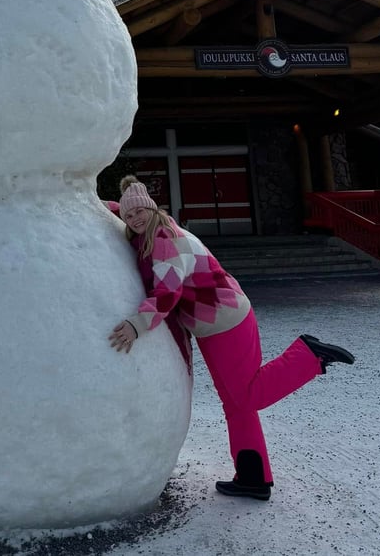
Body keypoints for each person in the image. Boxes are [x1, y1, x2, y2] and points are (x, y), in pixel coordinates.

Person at [108, 175, 355, 501]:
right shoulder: (152, 233)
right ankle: (252, 477)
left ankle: (310, 356)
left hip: (226, 321)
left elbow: (167, 294)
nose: (135, 218)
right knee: (236, 404)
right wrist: (96, 203)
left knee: (248, 396)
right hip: (213, 323)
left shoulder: (164, 240)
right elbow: (120, 212)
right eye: (128, 215)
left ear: (152, 210)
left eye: (140, 211)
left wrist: (136, 325)